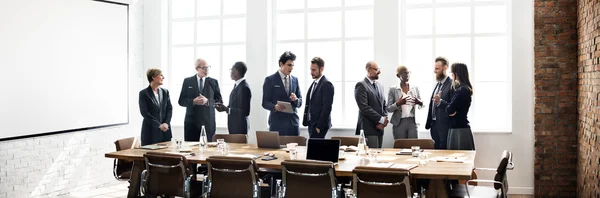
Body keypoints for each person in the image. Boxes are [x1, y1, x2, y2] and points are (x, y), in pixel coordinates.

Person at [178, 58, 223, 142]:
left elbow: (219, 101)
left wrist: (207, 101)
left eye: (208, 67)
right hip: (191, 123)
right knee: (191, 151)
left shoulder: (213, 82)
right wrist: (193, 101)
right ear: (196, 69)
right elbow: (181, 101)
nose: (207, 70)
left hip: (208, 124)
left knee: (208, 150)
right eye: (204, 68)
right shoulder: (187, 81)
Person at [262, 51, 303, 136]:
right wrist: (275, 107)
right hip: (277, 123)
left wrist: (296, 100)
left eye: (293, 65)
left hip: (293, 123)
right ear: (281, 64)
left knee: (295, 149)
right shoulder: (270, 80)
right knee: (277, 149)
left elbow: (300, 102)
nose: (291, 68)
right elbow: (264, 103)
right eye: (289, 65)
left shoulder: (295, 80)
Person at [354, 61, 388, 148]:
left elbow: (384, 105)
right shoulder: (361, 85)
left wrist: (384, 120)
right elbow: (364, 107)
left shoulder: (380, 86)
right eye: (376, 69)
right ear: (369, 70)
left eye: (379, 69)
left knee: (378, 154)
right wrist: (381, 119)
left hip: (380, 128)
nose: (379, 72)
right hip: (368, 128)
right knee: (371, 156)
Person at [386, 65, 423, 139]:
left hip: (413, 122)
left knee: (414, 146)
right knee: (400, 146)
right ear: (398, 75)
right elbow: (389, 109)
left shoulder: (415, 88)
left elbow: (422, 105)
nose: (407, 75)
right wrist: (398, 103)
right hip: (399, 122)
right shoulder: (393, 89)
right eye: (404, 73)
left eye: (408, 73)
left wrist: (419, 102)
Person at [138, 68, 173, 146]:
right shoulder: (143, 93)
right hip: (150, 133)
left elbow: (169, 109)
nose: (163, 77)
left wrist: (166, 123)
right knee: (151, 157)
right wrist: (159, 125)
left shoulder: (165, 92)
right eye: (161, 75)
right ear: (153, 77)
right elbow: (144, 112)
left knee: (166, 156)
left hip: (165, 132)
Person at [425, 57, 453, 149]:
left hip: (445, 125)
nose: (434, 71)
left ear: (445, 68)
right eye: (434, 68)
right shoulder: (438, 84)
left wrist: (440, 102)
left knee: (443, 151)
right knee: (436, 150)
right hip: (434, 125)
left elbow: (452, 106)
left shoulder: (452, 84)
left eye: (437, 68)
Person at [216, 61, 252, 135]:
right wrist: (224, 109)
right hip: (234, 127)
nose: (230, 72)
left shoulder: (244, 87)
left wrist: (227, 109)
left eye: (231, 70)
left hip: (240, 128)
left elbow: (245, 112)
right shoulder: (237, 86)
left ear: (236, 71)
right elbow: (235, 106)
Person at [302, 57, 334, 138]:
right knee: (312, 149)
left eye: (314, 70)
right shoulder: (314, 83)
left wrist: (319, 126)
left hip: (318, 126)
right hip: (311, 124)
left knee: (316, 149)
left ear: (322, 69)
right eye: (311, 69)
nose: (311, 72)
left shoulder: (327, 84)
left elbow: (327, 107)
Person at [446, 63, 475, 150]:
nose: (451, 75)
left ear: (457, 74)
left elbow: (449, 110)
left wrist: (450, 109)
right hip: (459, 127)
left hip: (459, 130)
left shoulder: (461, 90)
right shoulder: (464, 89)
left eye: (452, 73)